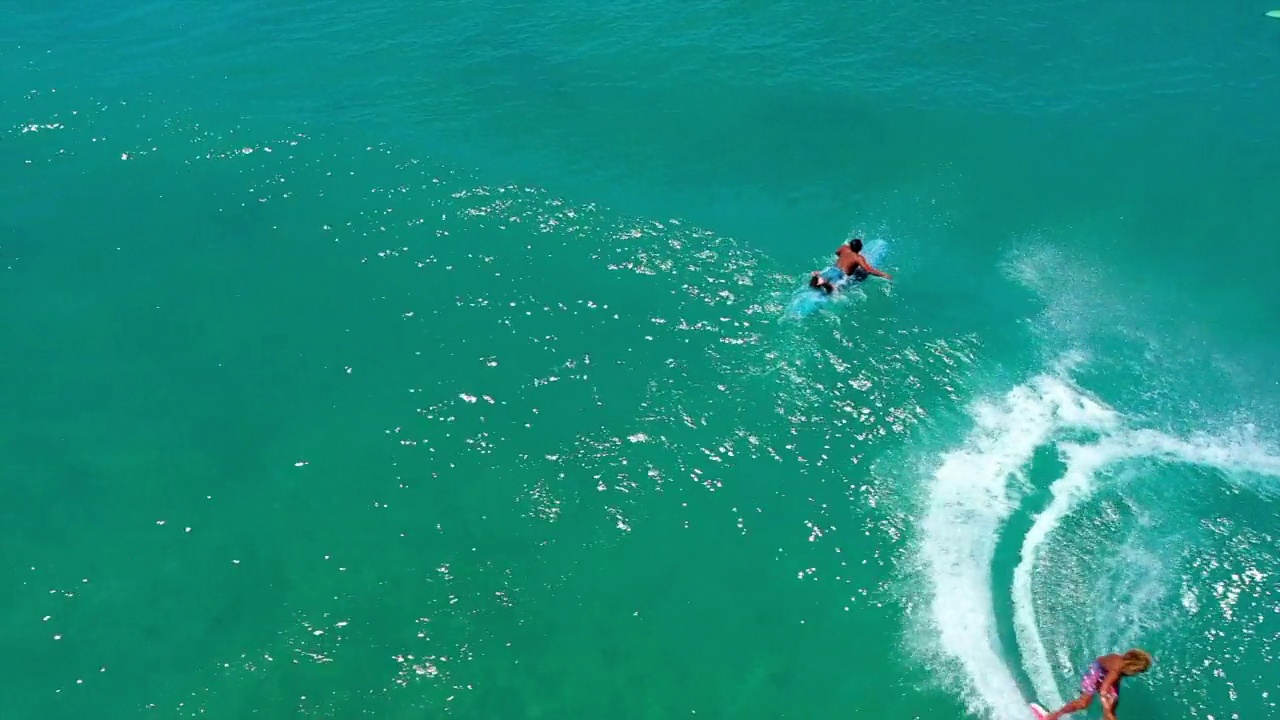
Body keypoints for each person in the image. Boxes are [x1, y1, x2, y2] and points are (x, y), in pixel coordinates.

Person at [1043, 649, 1153, 720]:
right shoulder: (1117, 666)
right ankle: (1053, 716)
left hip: (1107, 676)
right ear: (1134, 665)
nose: (1136, 673)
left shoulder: (1121, 670)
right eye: (1138, 670)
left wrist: (1110, 706)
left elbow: (1112, 684)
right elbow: (1104, 689)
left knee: (1112, 709)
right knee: (1083, 703)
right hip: (1096, 672)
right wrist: (1105, 703)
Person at [809, 237, 892, 293]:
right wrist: (883, 274)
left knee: (819, 282)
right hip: (840, 275)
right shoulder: (858, 258)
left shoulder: (844, 248)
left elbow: (837, 253)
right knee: (832, 290)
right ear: (860, 248)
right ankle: (824, 283)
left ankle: (816, 278)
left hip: (832, 269)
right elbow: (868, 270)